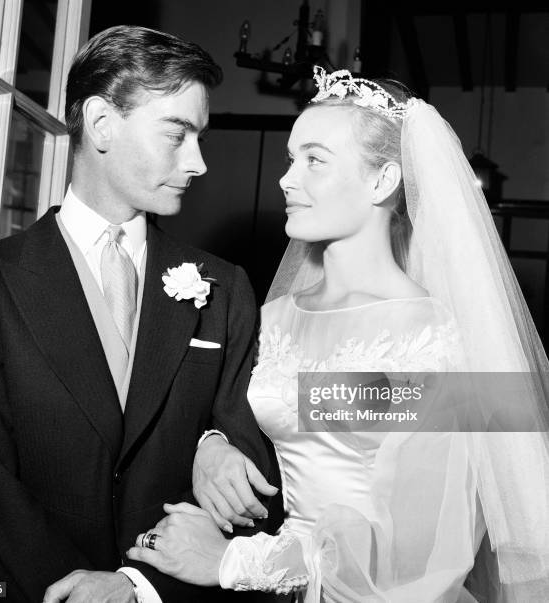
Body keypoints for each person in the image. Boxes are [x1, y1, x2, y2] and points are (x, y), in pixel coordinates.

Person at [127, 67, 549, 601]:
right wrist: (212, 445)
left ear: (382, 181)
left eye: (315, 160)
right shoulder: (276, 316)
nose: (286, 178)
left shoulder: (427, 336)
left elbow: (416, 556)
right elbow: (262, 422)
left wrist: (233, 561)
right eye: (289, 158)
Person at [0, 25, 281, 603]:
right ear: (100, 124)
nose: (197, 163)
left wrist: (137, 587)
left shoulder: (226, 287)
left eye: (200, 137)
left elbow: (252, 463)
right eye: (177, 134)